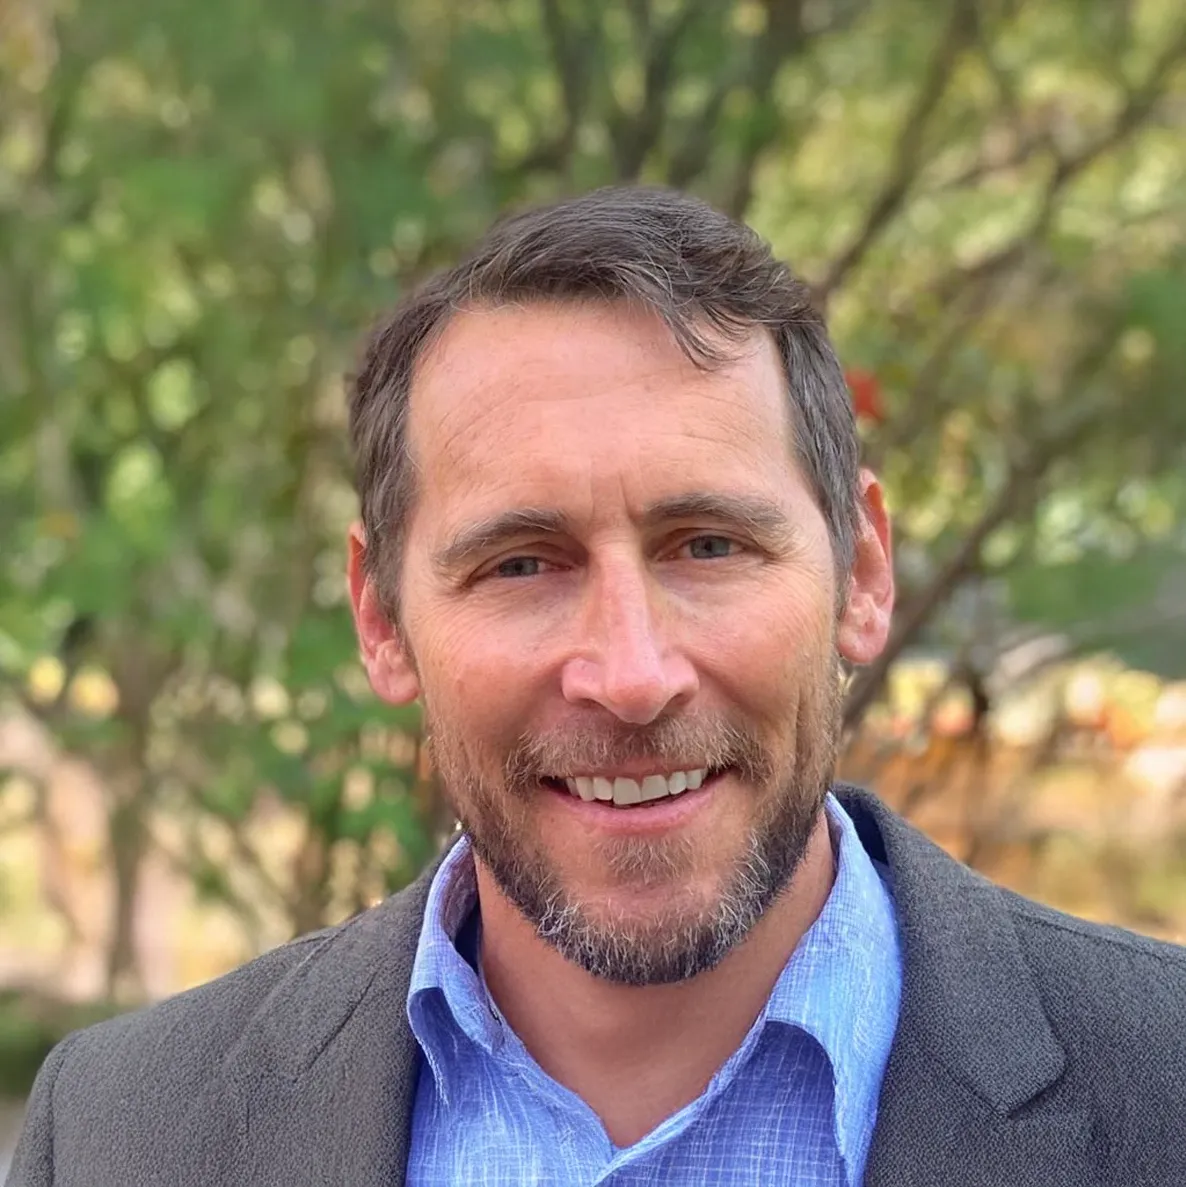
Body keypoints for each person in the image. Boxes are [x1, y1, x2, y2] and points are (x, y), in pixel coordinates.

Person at [8, 187, 1186, 1187]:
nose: (630, 674)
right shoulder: (122, 1135)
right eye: (522, 563)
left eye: (708, 545)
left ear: (862, 571)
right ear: (380, 618)